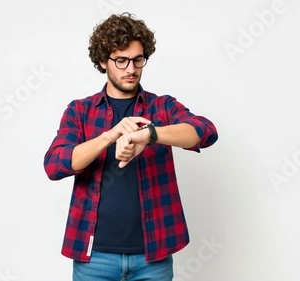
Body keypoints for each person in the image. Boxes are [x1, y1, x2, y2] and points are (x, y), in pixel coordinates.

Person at [43, 12, 218, 281]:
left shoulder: (161, 106)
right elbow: (55, 165)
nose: (131, 69)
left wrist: (150, 135)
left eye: (138, 59)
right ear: (103, 61)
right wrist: (108, 137)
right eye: (121, 60)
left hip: (153, 257)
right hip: (95, 258)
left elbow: (205, 132)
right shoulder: (81, 111)